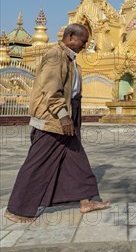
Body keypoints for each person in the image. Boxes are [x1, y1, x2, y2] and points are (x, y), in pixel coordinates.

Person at [5, 23, 110, 223]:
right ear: (70, 36)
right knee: (39, 161)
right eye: (83, 41)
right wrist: (62, 115)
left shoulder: (69, 58)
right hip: (53, 118)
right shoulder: (56, 56)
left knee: (76, 159)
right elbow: (51, 90)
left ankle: (86, 200)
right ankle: (16, 209)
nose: (85, 45)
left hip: (70, 112)